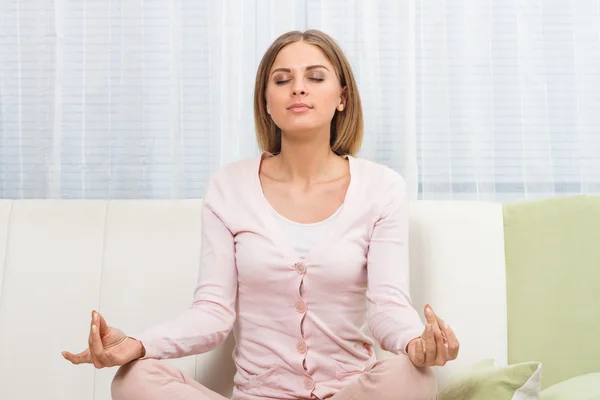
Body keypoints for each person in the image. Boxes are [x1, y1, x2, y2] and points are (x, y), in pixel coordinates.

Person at [62, 29, 459, 400]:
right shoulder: (227, 187)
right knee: (135, 378)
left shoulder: (382, 187)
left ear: (342, 97)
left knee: (414, 376)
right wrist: (140, 344)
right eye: (282, 79)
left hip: (349, 392)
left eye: (315, 77)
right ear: (267, 102)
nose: (298, 87)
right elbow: (213, 312)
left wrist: (416, 343)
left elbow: (388, 305)